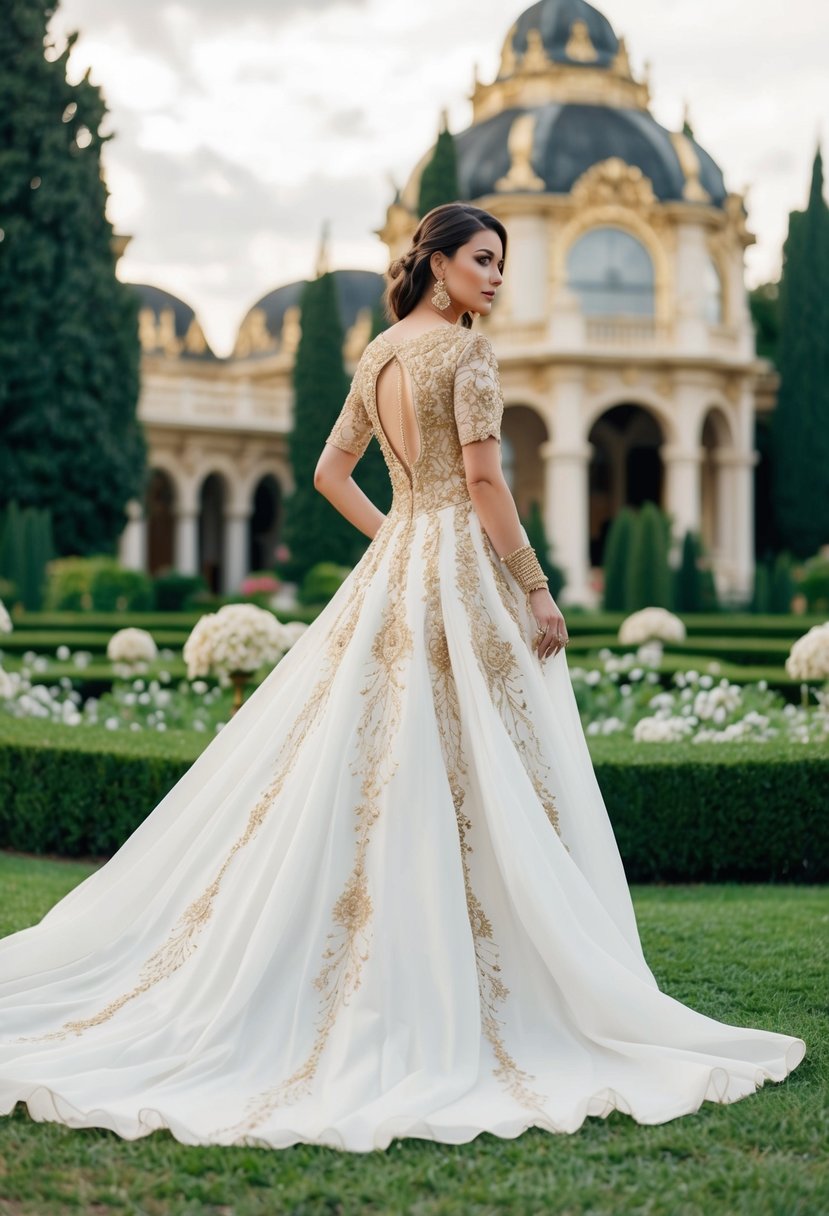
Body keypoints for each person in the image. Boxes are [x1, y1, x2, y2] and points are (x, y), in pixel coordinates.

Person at [0, 203, 805, 1153]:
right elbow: (484, 481)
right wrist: (536, 587)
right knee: (477, 757)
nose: (497, 277)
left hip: (401, 567)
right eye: (483, 259)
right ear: (439, 264)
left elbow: (331, 472)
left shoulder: (378, 353)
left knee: (376, 755)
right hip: (458, 566)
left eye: (503, 261)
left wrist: (397, 538)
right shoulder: (465, 355)